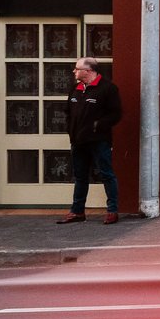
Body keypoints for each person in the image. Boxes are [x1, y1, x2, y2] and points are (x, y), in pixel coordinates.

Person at [60, 57, 124, 223]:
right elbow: (67, 112)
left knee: (106, 174)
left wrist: (97, 125)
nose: (74, 71)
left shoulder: (108, 89)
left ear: (88, 71)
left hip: (99, 141)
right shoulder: (75, 89)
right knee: (80, 177)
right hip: (78, 141)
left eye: (77, 69)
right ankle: (77, 212)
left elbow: (116, 114)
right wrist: (70, 130)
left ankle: (112, 211)